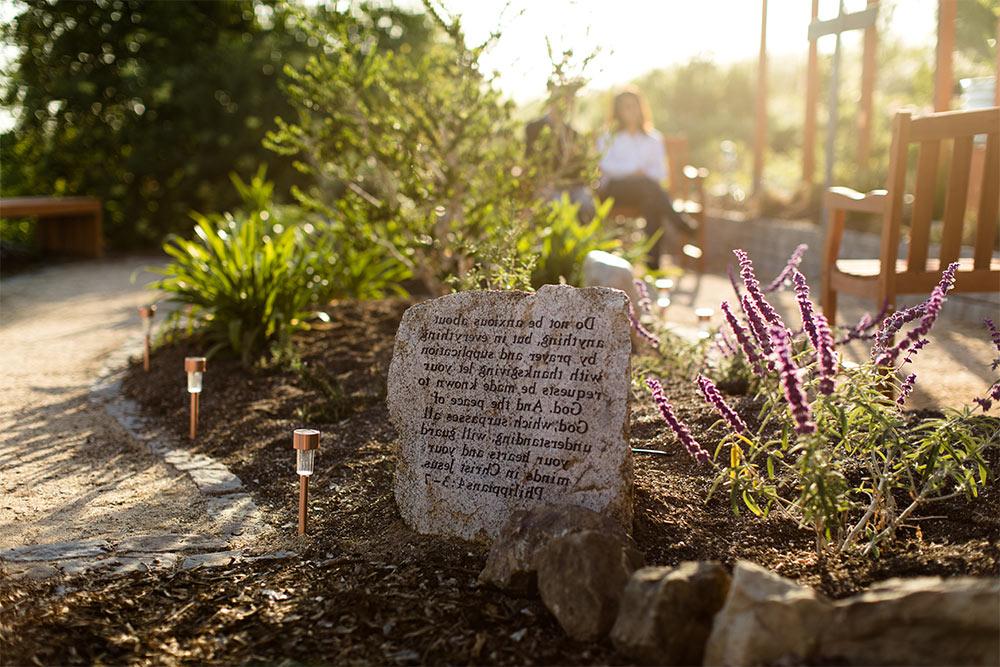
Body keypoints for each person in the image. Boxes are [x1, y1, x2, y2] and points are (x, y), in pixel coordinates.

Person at [597, 87, 697, 266]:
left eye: (633, 106)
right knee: (648, 187)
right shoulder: (608, 136)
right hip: (616, 191)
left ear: (640, 108)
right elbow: (605, 167)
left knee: (651, 201)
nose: (630, 110)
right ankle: (678, 221)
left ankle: (653, 264)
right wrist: (634, 170)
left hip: (646, 192)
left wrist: (640, 174)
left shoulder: (653, 138)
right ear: (618, 111)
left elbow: (660, 173)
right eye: (625, 107)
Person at [525, 79, 596, 222]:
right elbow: (530, 160)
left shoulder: (573, 134)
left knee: (587, 203)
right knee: (555, 204)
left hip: (572, 186)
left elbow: (581, 170)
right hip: (546, 185)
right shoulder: (534, 128)